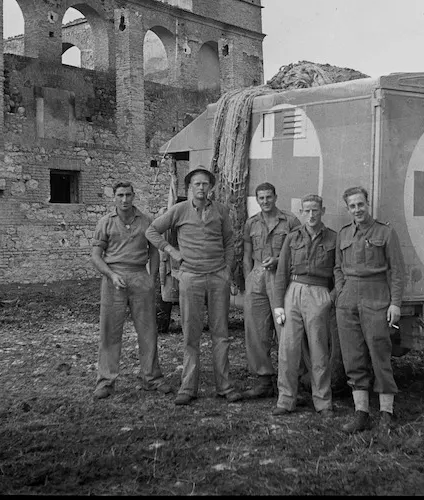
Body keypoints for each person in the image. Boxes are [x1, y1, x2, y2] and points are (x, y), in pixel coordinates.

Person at [145, 166, 243, 405]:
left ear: (211, 187)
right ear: (189, 187)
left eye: (205, 184)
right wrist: (171, 250)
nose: (201, 188)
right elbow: (151, 230)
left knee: (221, 334)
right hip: (191, 278)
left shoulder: (221, 210)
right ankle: (188, 387)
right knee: (191, 334)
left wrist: (227, 270)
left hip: (217, 277)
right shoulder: (178, 210)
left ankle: (225, 386)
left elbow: (229, 241)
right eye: (197, 184)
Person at [91, 181, 172, 400]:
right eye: (120, 195)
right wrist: (111, 275)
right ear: (114, 197)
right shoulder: (105, 222)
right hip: (113, 279)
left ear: (134, 196)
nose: (125, 199)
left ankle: (152, 377)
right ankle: (106, 381)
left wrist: (152, 279)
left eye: (128, 195)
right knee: (110, 331)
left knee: (148, 330)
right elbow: (96, 256)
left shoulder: (146, 221)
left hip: (139, 276)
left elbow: (154, 252)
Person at [334, 186, 405, 432]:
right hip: (348, 300)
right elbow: (338, 267)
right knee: (353, 357)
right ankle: (361, 413)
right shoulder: (343, 235)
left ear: (368, 204)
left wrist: (395, 303)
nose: (357, 209)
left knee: (379, 354)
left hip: (376, 297)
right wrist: (341, 291)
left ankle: (387, 413)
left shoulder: (385, 232)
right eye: (352, 206)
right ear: (348, 209)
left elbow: (397, 270)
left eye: (360, 204)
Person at [271, 194, 337, 418]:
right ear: (301, 212)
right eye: (306, 211)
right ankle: (286, 399)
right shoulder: (292, 238)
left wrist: (331, 297)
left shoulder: (333, 238)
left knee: (319, 350)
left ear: (322, 211)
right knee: (288, 349)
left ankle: (323, 402)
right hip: (294, 291)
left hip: (319, 292)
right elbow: (281, 272)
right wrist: (279, 305)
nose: (311, 215)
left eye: (315, 211)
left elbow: (340, 273)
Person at [242, 182, 301, 399]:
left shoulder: (290, 221)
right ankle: (263, 380)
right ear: (257, 200)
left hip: (281, 278)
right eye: (261, 198)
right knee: (256, 331)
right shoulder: (251, 223)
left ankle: (292, 382)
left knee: (286, 330)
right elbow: (247, 253)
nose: (265, 201)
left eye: (269, 197)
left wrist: (279, 260)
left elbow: (299, 250)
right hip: (257, 278)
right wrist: (249, 277)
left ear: (276, 197)